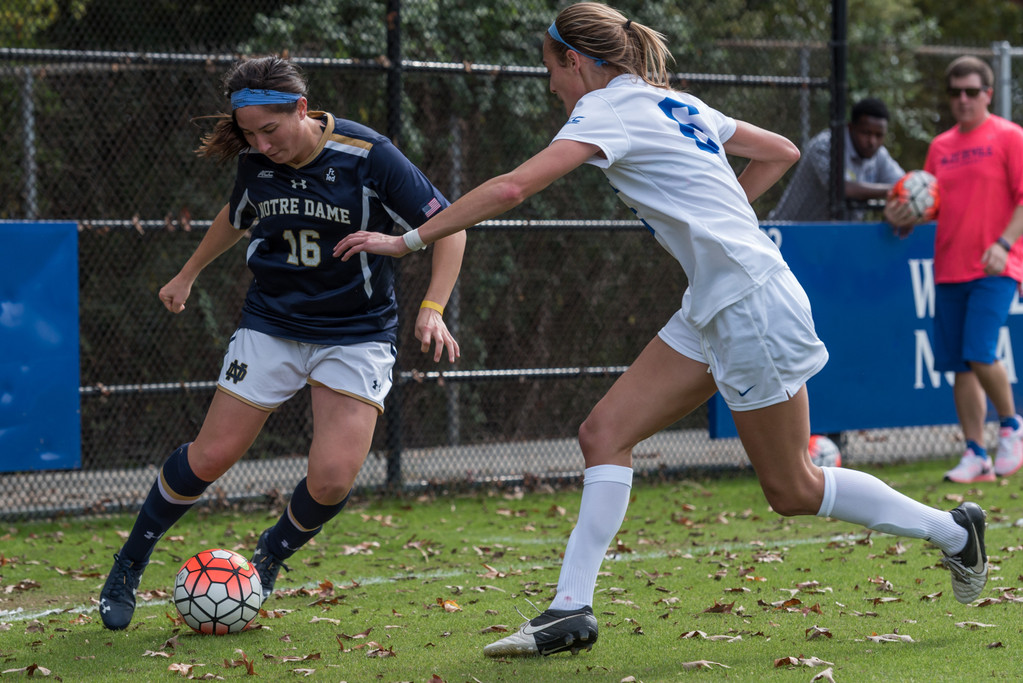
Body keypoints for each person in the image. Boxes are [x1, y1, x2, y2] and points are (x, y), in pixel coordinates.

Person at [335, 3, 989, 658]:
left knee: (793, 487)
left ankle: (953, 532)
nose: (552, 86)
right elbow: (779, 151)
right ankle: (569, 610)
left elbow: (510, 189)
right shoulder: (668, 101)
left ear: (576, 60)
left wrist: (407, 239)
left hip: (748, 303)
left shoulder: (605, 110)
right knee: (603, 433)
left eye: (550, 69)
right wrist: (719, 214)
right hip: (717, 299)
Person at [98, 55, 466, 630]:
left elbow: (452, 224)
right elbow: (236, 215)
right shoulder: (255, 161)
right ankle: (128, 562)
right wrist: (188, 272)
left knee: (333, 478)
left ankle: (268, 558)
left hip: (356, 333)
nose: (261, 145)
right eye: (249, 135)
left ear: (301, 108)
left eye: (270, 131)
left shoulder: (369, 155)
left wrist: (433, 307)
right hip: (271, 324)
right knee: (211, 456)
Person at [885, 55, 1023, 484]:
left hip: (997, 264)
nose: (962, 100)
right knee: (960, 365)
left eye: (971, 92)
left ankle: (1012, 427)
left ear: (988, 93)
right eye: (955, 93)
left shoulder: (1010, 137)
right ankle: (975, 453)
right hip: (947, 269)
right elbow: (927, 203)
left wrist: (1004, 245)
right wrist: (903, 218)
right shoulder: (941, 147)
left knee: (980, 351)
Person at [769, 97, 905, 221]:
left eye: (879, 135)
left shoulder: (879, 155)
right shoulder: (826, 145)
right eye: (866, 133)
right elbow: (841, 188)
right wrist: (893, 190)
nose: (872, 142)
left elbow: (905, 184)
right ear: (851, 128)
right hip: (787, 234)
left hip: (834, 239)